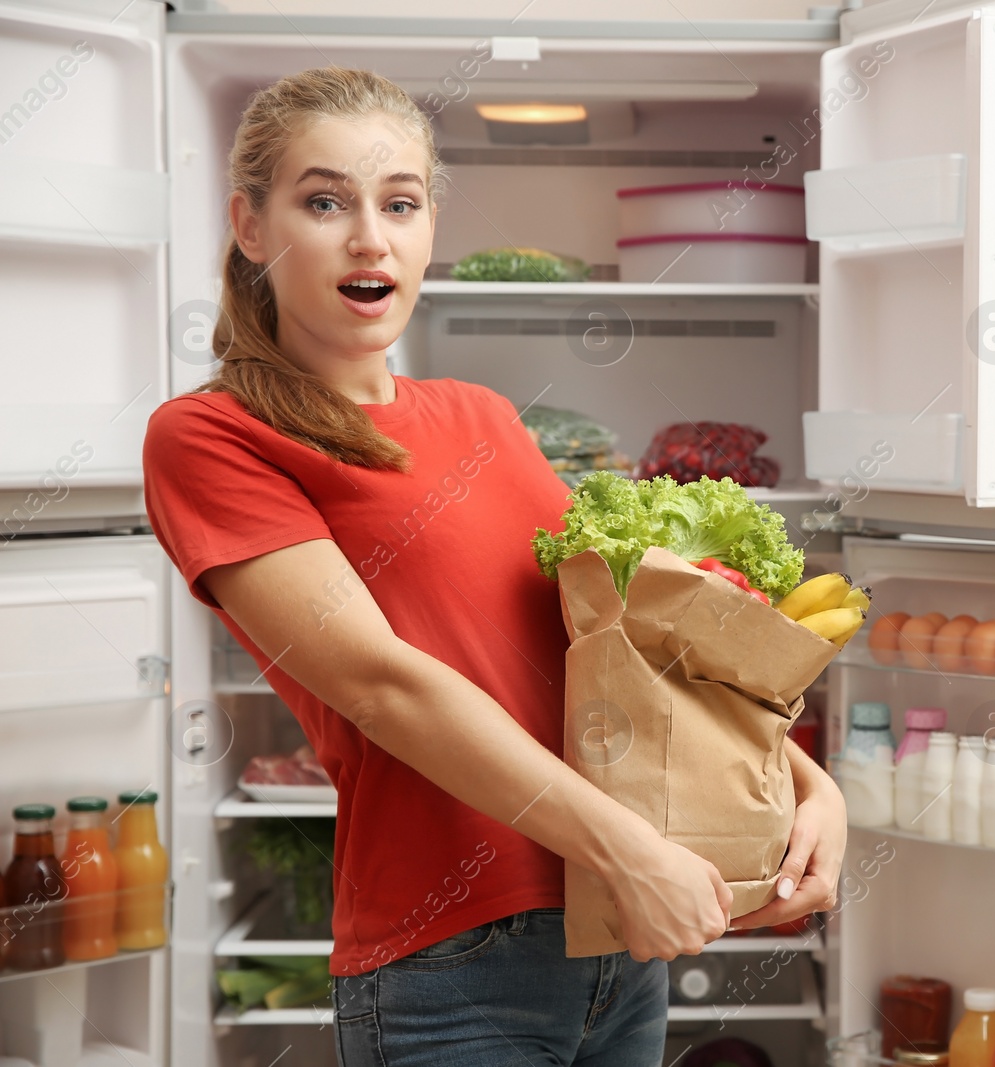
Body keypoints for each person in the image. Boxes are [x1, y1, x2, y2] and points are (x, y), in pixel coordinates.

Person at [141, 66, 846, 1067]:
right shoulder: (211, 436)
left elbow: (633, 644)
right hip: (449, 963)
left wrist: (810, 785)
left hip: (615, 933)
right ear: (251, 227)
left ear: (429, 229)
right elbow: (383, 683)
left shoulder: (480, 416)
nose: (369, 238)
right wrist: (627, 846)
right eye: (324, 201)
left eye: (401, 203)